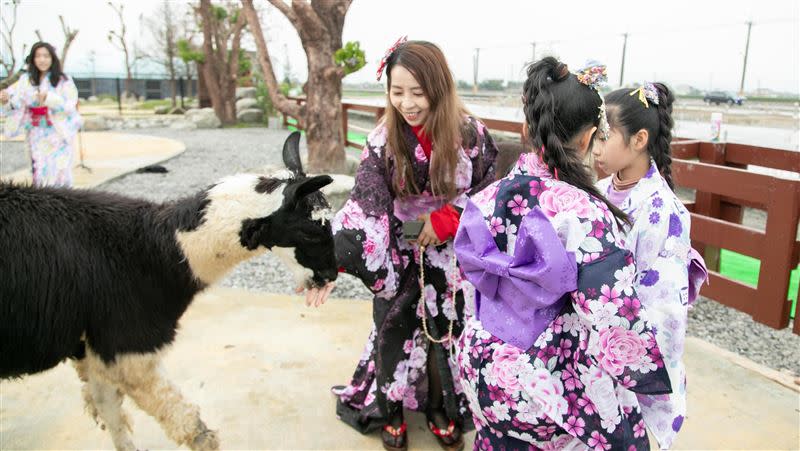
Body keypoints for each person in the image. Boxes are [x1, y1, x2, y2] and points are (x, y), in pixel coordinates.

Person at [453, 57, 672, 450]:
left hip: (482, 363)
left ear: (526, 129)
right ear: (589, 138)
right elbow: (612, 313)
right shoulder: (584, 213)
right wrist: (648, 376)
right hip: (546, 380)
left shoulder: (484, 200)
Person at [331, 38, 498, 450]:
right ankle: (390, 411)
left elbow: (491, 192)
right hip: (395, 251)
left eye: (418, 93)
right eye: (397, 91)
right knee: (392, 329)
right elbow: (365, 207)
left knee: (444, 331)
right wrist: (333, 256)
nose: (408, 103)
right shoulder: (381, 141)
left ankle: (438, 408)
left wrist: (447, 219)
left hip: (451, 252)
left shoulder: (471, 135)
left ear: (439, 88)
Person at [594, 82, 708, 449]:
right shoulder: (596, 191)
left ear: (639, 139)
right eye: (593, 136)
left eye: (604, 137)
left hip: (626, 355)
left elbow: (665, 313)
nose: (594, 148)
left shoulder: (664, 211)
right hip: (594, 344)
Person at [0, 41, 82, 187]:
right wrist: (6, 100)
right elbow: (15, 101)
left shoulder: (63, 80)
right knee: (40, 168)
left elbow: (70, 104)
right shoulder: (26, 80)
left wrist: (49, 98)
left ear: (52, 59)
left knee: (59, 170)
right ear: (33, 59)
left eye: (46, 56)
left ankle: (63, 205)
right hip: (37, 132)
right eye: (38, 56)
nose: (42, 60)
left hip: (57, 133)